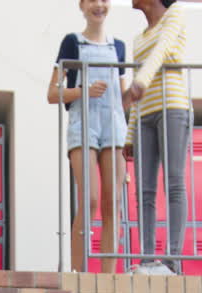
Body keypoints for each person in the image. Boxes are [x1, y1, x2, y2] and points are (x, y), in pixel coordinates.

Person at [48, 0, 130, 274]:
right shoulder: (71, 43)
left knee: (113, 201)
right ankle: (79, 272)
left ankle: (109, 278)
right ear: (81, 6)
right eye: (92, 0)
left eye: (104, 0)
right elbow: (52, 93)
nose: (99, 5)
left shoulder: (118, 47)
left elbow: (122, 97)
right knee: (90, 199)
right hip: (83, 124)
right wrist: (83, 91)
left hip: (114, 126)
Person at [125, 0, 189, 275]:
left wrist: (139, 83)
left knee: (174, 183)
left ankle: (173, 259)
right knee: (144, 191)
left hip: (172, 107)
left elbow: (161, 51)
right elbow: (137, 85)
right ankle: (147, 259)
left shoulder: (175, 13)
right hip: (144, 116)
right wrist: (129, 133)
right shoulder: (137, 38)